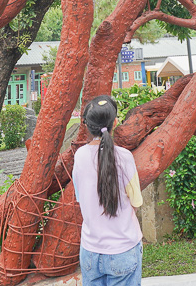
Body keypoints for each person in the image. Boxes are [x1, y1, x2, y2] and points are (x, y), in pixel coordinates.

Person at [71, 96, 143, 286]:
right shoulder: (125, 157)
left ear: (86, 124)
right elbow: (136, 202)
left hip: (90, 252)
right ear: (115, 123)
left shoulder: (79, 157)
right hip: (123, 250)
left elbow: (80, 198)